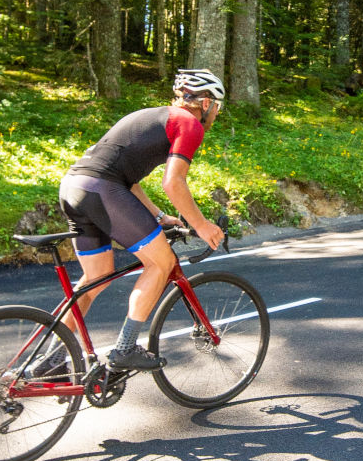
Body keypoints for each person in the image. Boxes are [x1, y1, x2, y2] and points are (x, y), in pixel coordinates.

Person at [41, 68, 227, 375]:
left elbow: (127, 180)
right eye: (218, 107)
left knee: (95, 277)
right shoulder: (189, 124)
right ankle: (125, 349)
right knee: (160, 263)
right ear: (206, 103)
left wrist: (159, 217)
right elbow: (174, 183)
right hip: (101, 190)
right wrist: (203, 225)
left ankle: (50, 361)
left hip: (74, 188)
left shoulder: (151, 116)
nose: (216, 114)